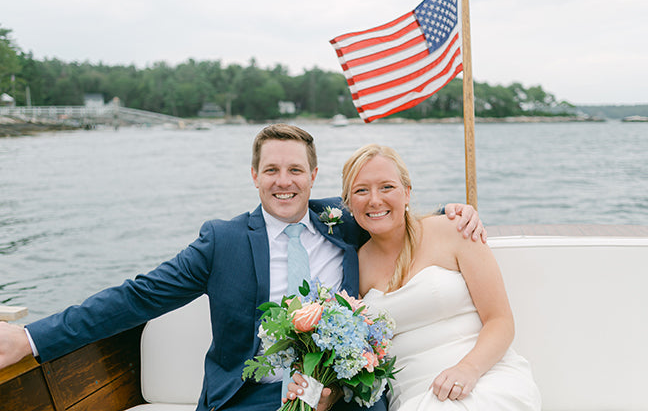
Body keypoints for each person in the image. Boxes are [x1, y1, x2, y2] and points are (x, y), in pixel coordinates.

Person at [0, 126, 485, 411]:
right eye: (271, 170)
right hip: (250, 397)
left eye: (296, 170)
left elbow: (392, 210)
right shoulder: (222, 241)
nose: (284, 182)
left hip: (342, 396)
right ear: (254, 176)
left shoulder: (345, 220)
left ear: (313, 177)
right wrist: (30, 338)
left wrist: (453, 209)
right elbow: (137, 296)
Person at [287, 144, 540, 410]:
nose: (375, 200)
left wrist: (467, 370)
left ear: (407, 193)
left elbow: (500, 321)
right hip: (415, 395)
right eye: (361, 190)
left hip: (485, 375)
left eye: (387, 187)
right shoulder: (354, 265)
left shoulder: (456, 230)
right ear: (348, 204)